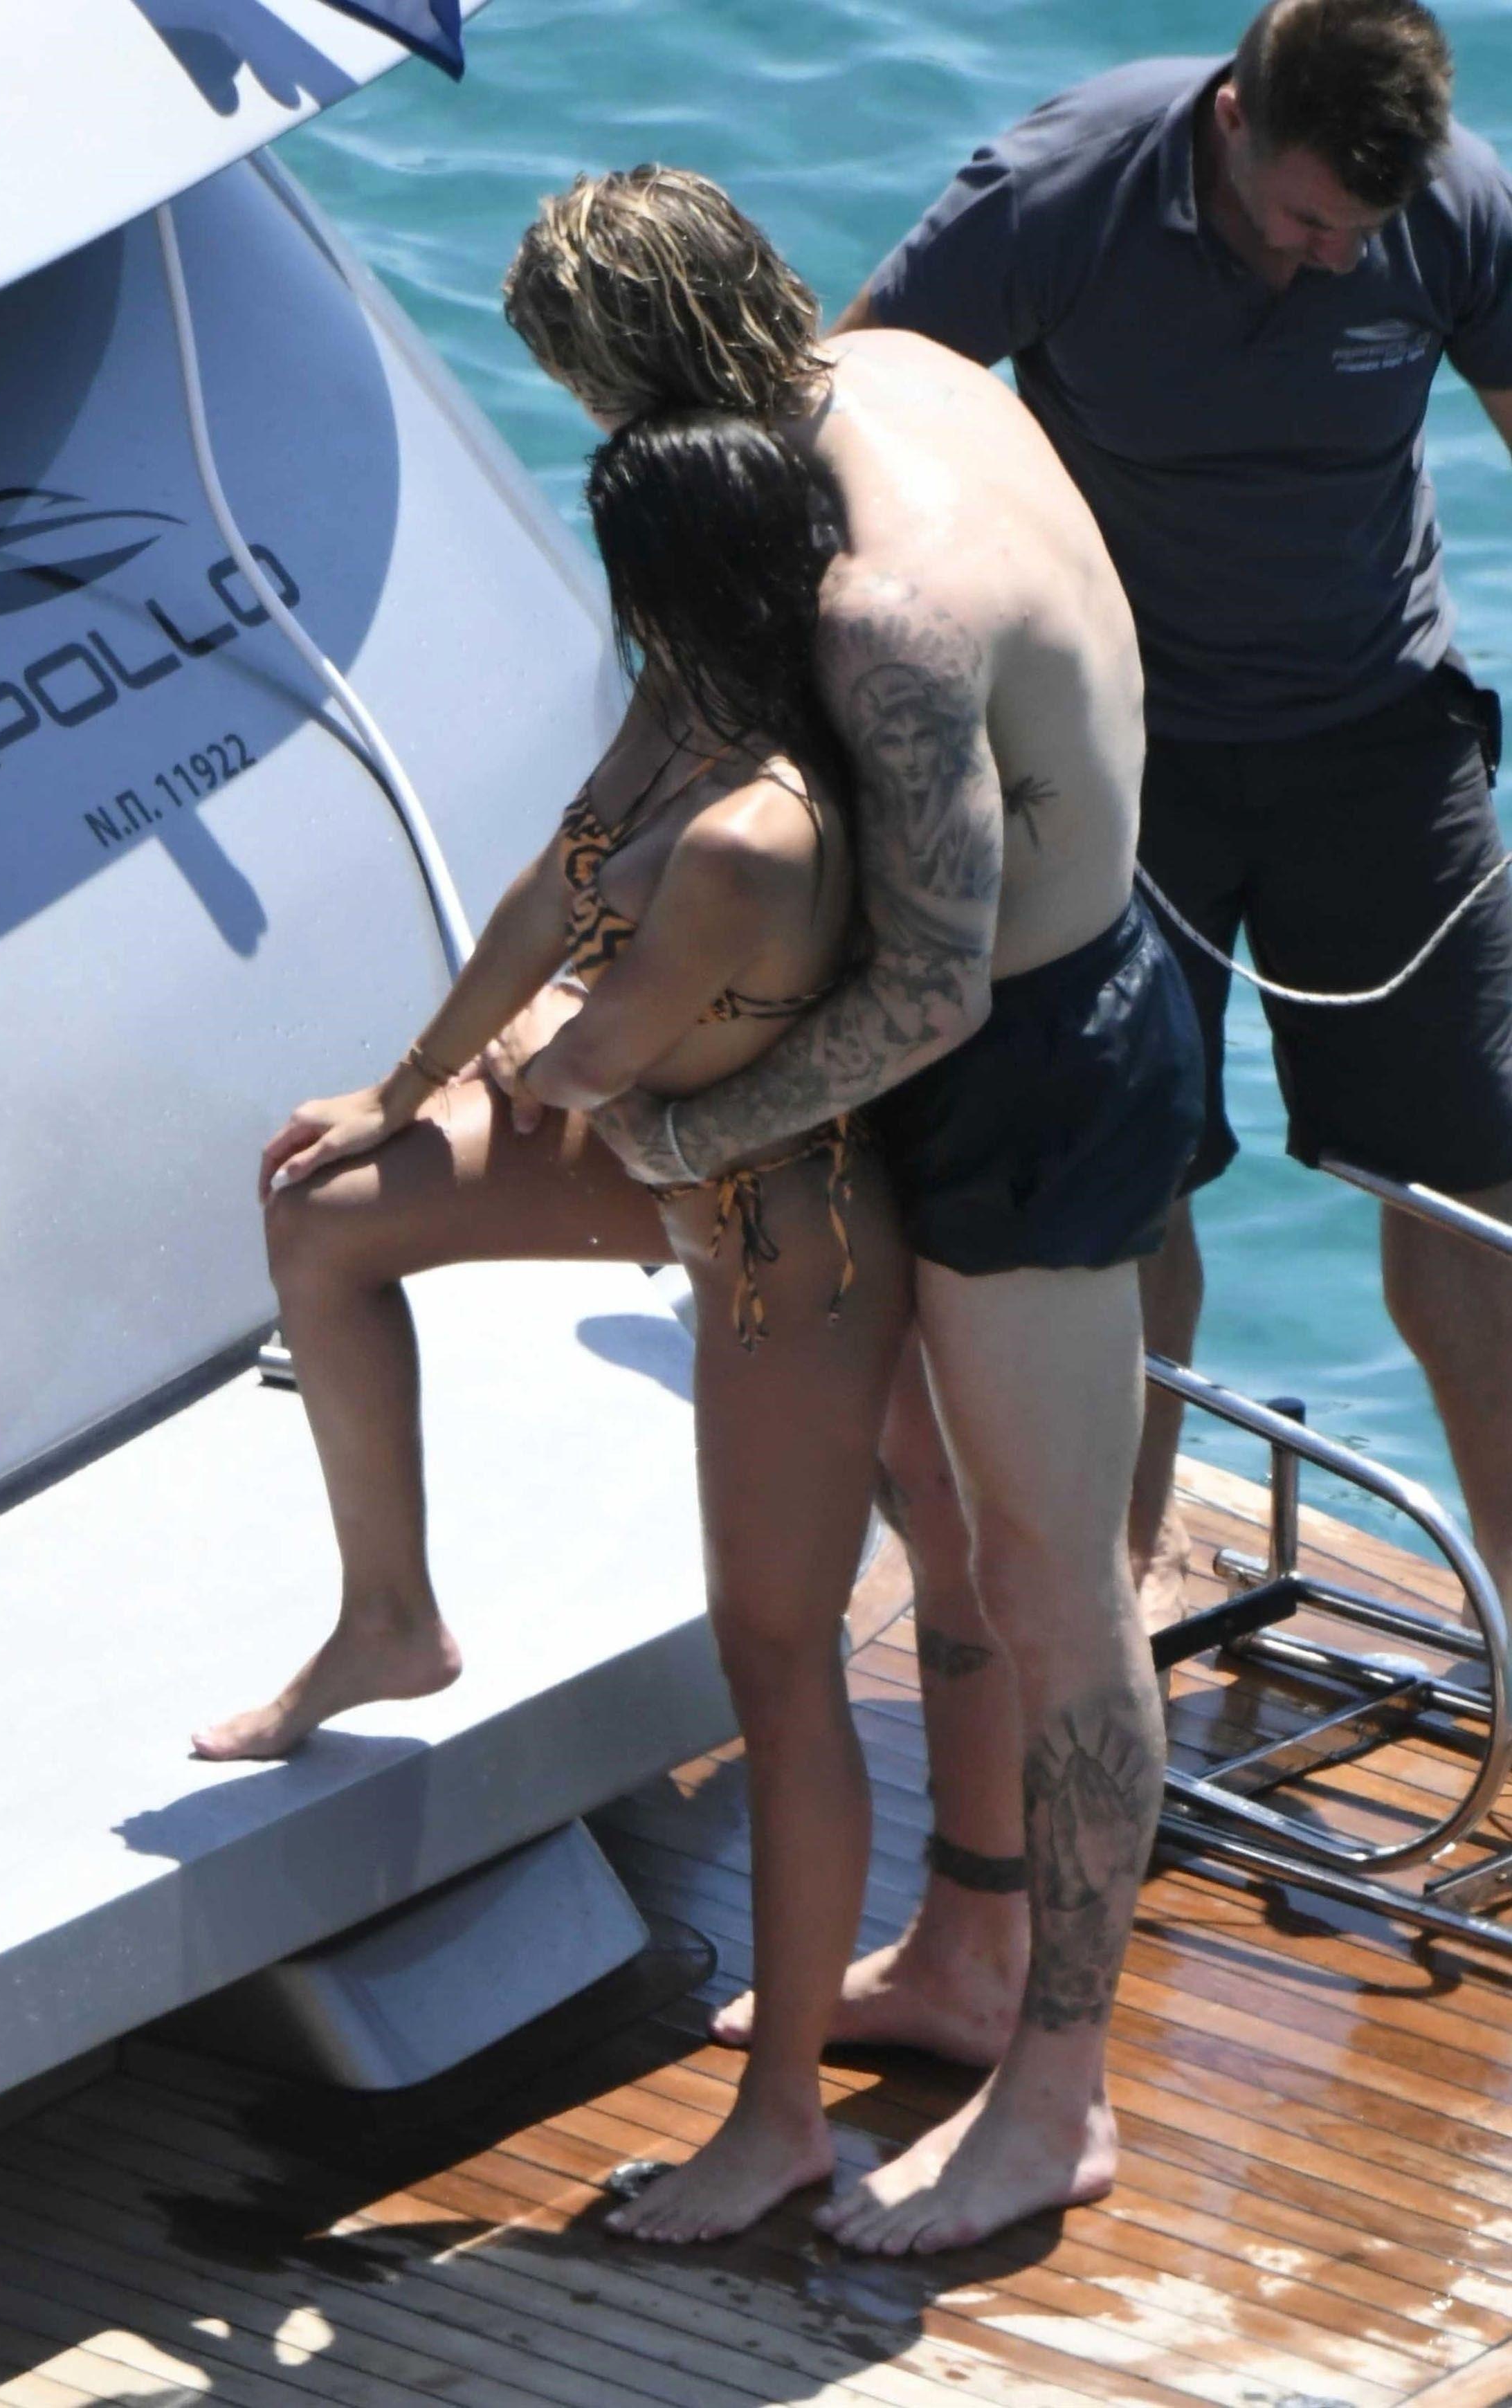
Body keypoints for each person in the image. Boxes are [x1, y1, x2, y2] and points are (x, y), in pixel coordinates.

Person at [798, 0, 1512, 2099]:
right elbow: (853, 403)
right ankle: (1086, 1674)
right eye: (1294, 224)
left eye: (1351, 239)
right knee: (1127, 1200)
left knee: (1475, 1204)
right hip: (1124, 756)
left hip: (1385, 749)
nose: (1322, 260)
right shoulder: (1062, 193)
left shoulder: (1447, 204)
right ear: (1226, 122)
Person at [500, 164, 1204, 2252]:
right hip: (1030, 1001)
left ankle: (1058, 2096)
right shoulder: (894, 361)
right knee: (947, 1525)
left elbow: (939, 991)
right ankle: (973, 1955)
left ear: (634, 395)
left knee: (1058, 1580)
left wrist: (691, 1137)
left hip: (1035, 1073)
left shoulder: (884, 606)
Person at [192, 412, 918, 2245]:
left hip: (777, 1235)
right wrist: (403, 1083)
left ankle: (781, 2118)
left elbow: (583, 1066)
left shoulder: (756, 830)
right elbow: (555, 883)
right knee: (323, 1212)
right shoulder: (687, 701)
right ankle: (390, 1621)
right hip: (656, 1151)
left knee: (781, 1666)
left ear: (663, 579)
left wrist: (528, 1049)